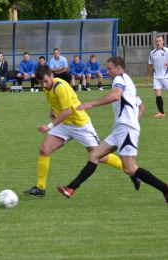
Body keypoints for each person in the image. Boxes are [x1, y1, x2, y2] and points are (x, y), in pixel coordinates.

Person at [57, 56, 168, 205]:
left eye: (109, 69)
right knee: (95, 154)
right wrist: (133, 123)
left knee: (130, 168)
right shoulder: (128, 82)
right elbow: (141, 108)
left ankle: (165, 189)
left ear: (118, 69)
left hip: (126, 128)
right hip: (121, 129)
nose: (107, 71)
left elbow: (116, 95)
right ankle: (71, 188)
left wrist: (91, 103)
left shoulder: (119, 78)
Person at [23, 64, 141, 197]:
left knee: (100, 157)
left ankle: (134, 173)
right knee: (44, 149)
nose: (44, 85)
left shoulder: (60, 86)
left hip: (79, 124)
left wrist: (49, 126)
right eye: (41, 83)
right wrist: (53, 110)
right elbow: (53, 99)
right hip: (65, 124)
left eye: (45, 81)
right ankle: (40, 188)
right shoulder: (47, 86)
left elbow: (67, 111)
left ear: (52, 76)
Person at [146, 35, 168, 117]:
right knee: (157, 93)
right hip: (156, 77)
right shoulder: (152, 53)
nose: (158, 43)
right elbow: (150, 65)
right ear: (155, 42)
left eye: (160, 41)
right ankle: (161, 112)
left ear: (163, 42)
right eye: (157, 41)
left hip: (166, 76)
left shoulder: (167, 51)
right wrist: (147, 76)